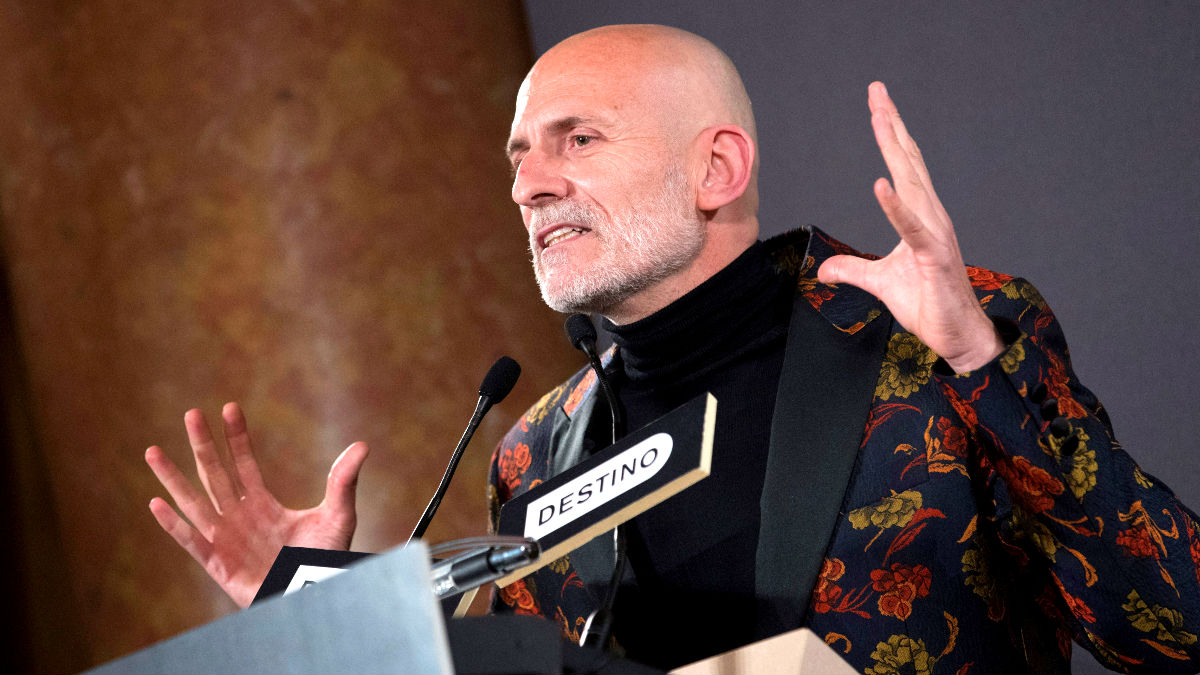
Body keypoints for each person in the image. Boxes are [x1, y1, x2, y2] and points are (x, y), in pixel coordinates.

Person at [146, 24, 1200, 674]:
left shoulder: (934, 342)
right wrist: (315, 603)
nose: (528, 184)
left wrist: (981, 366)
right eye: (519, 156)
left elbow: (1175, 631)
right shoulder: (536, 451)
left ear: (717, 168)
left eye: (578, 139)